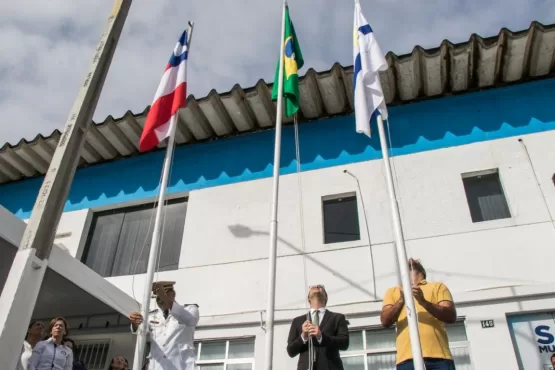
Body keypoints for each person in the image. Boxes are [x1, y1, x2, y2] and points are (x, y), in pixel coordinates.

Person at [381, 259, 457, 370]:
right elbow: (385, 321)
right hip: (406, 358)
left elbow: (450, 315)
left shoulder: (438, 287)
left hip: (439, 357)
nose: (411, 259)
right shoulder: (392, 291)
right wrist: (402, 300)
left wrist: (424, 302)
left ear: (422, 270)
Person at [129, 281, 199, 370]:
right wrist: (135, 323)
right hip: (157, 366)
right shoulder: (151, 316)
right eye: (158, 298)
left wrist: (167, 299)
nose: (160, 300)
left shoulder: (190, 309)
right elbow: (141, 332)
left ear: (173, 294)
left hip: (181, 366)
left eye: (162, 296)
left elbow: (190, 321)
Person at [287, 285, 349, 370]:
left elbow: (344, 343)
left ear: (325, 297)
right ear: (309, 299)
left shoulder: (337, 318)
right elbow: (291, 351)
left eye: (320, 287)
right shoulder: (298, 321)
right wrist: (303, 336)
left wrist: (321, 337)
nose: (316, 286)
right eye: (312, 288)